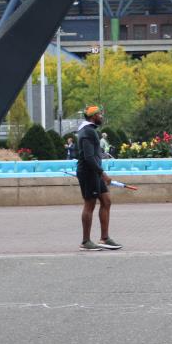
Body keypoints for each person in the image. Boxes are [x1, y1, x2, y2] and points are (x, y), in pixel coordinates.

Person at [76, 106, 122, 250]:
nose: (101, 116)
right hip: (88, 172)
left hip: (94, 172)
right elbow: (89, 157)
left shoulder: (90, 130)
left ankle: (104, 238)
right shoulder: (87, 131)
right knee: (89, 204)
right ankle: (85, 242)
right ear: (93, 116)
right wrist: (103, 174)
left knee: (106, 201)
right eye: (99, 114)